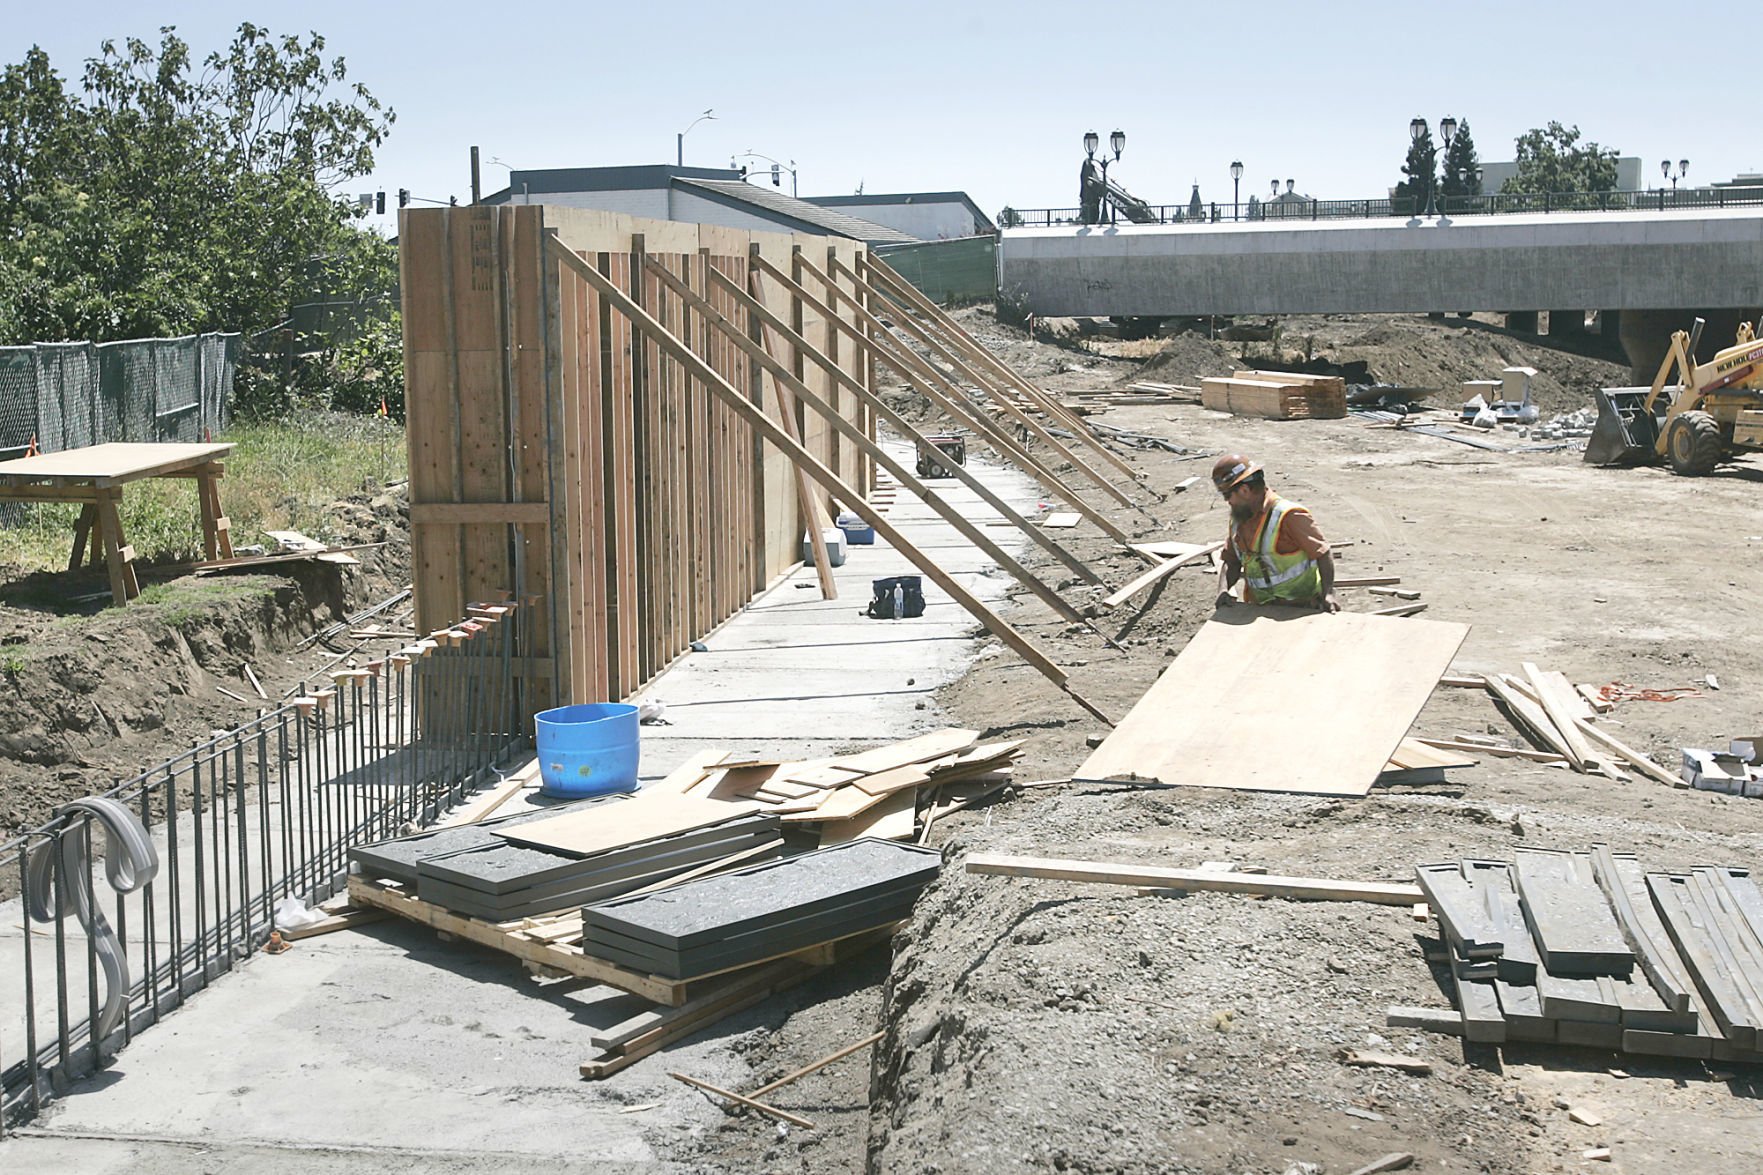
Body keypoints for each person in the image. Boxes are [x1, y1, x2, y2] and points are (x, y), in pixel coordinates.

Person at [1211, 454, 1340, 612]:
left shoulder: (1289, 516)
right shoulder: (1239, 519)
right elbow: (1232, 561)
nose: (1227, 501)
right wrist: (1223, 590)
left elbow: (1323, 553)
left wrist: (1328, 593)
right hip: (1260, 610)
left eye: (1227, 495)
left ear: (1244, 490)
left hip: (1302, 609)